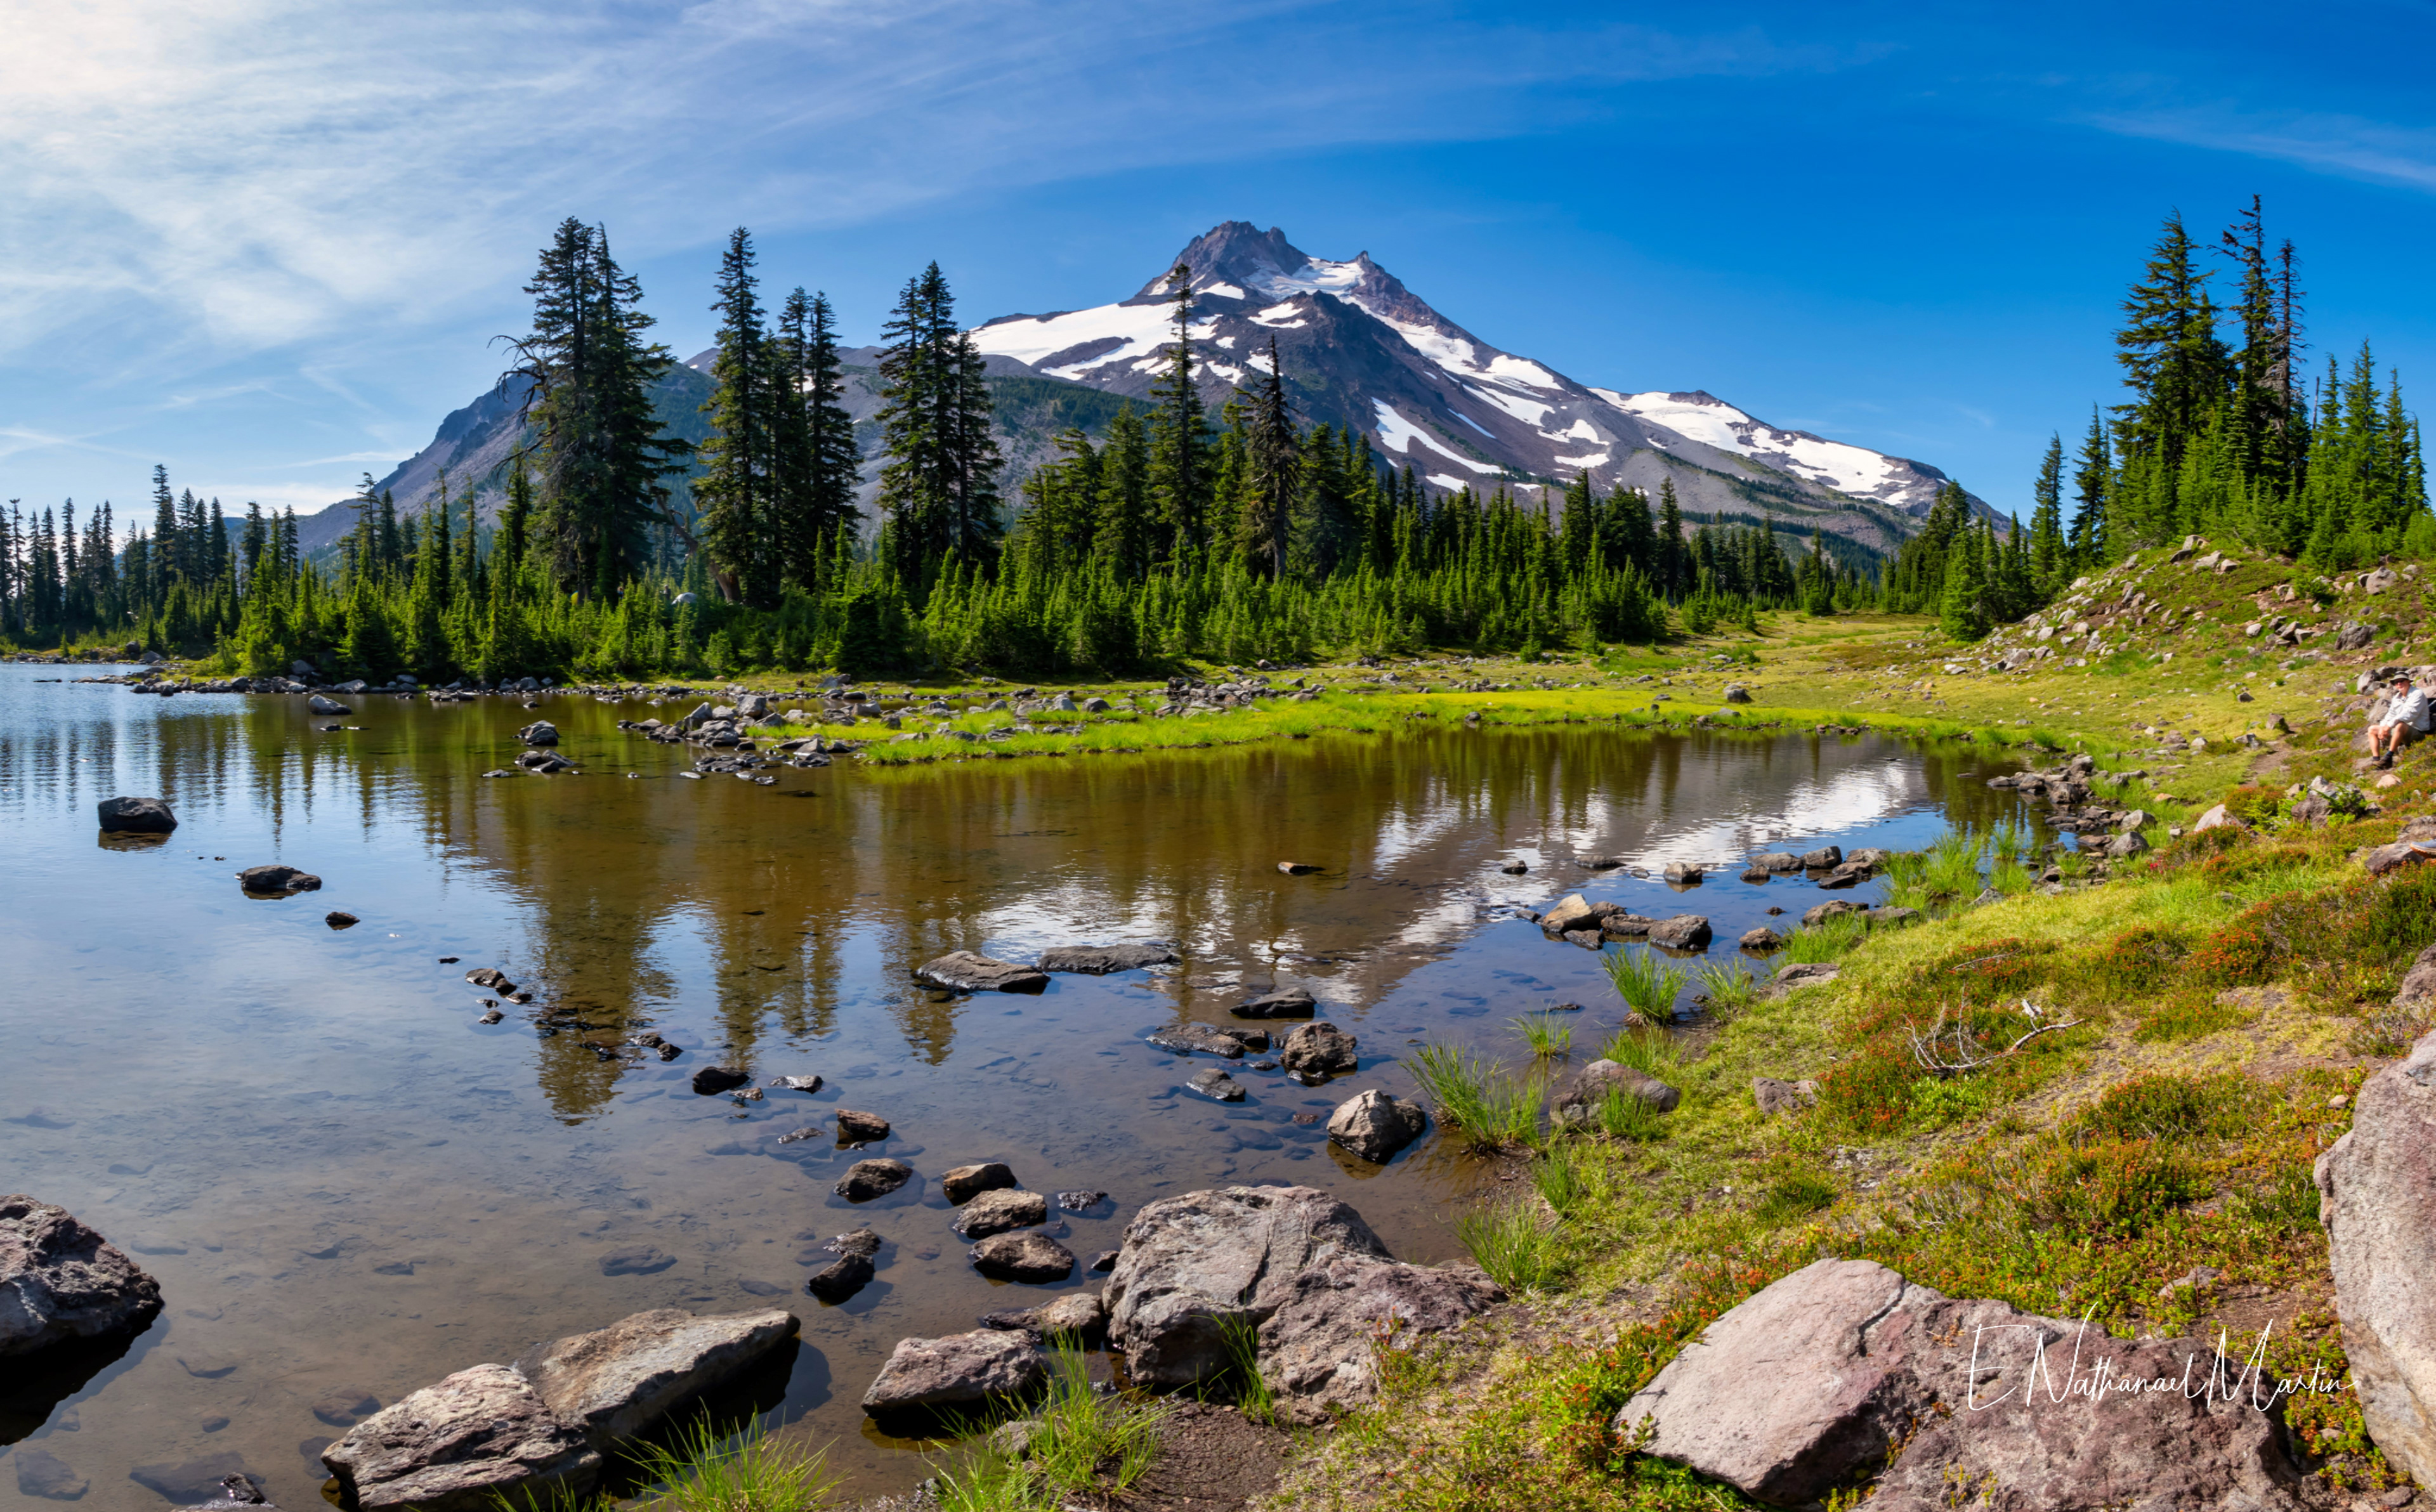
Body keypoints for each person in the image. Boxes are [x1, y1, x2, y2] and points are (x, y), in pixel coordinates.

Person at [2371, 674, 2430, 768]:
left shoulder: (2417, 694)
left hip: (2418, 731)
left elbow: (2410, 714)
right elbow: (2390, 714)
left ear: (2408, 682)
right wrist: (2383, 727)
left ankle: (2388, 758)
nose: (2399, 683)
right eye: (2396, 682)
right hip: (2401, 732)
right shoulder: (2397, 698)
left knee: (2400, 725)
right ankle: (2377, 761)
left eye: (2401, 681)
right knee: (2372, 729)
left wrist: (2389, 726)